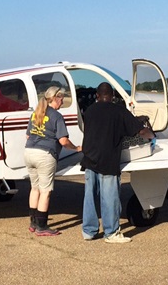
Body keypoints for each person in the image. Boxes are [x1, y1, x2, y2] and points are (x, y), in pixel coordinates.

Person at [80, 82, 155, 243]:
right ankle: (111, 233)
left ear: (97, 96)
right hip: (108, 160)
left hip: (89, 158)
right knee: (110, 197)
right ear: (113, 95)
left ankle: (89, 231)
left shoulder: (89, 111)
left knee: (90, 197)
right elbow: (140, 130)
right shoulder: (119, 111)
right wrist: (152, 136)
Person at [25, 85, 80, 236]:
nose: (63, 102)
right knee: (45, 191)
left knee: (34, 188)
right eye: (62, 99)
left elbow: (28, 136)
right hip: (44, 155)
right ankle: (42, 226)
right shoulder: (56, 116)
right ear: (56, 98)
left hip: (29, 152)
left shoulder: (36, 113)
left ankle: (33, 223)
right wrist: (76, 148)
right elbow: (63, 141)